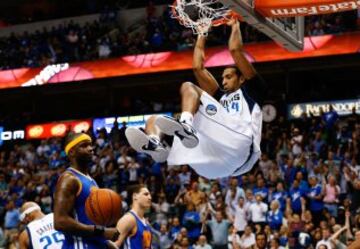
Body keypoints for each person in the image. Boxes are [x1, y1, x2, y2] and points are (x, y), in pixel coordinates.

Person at [126, 18, 266, 179]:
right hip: (211, 168)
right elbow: (197, 68)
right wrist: (202, 34)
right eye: (222, 78)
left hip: (241, 148)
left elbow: (235, 50)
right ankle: (154, 143)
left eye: (228, 77)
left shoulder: (253, 91)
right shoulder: (219, 97)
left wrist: (235, 26)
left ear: (241, 79)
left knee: (188, 87)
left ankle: (186, 125)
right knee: (153, 120)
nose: (223, 81)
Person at [53, 133, 119, 249]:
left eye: (91, 145)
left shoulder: (91, 180)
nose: (91, 149)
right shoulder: (68, 179)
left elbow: (90, 222)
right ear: (72, 152)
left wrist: (107, 243)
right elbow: (60, 221)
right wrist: (102, 232)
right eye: (84, 146)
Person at [115, 184, 153, 248]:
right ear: (135, 196)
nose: (150, 197)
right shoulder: (128, 219)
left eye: (150, 195)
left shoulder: (147, 223)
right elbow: (114, 245)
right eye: (146, 194)